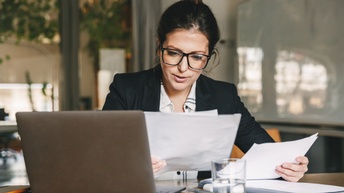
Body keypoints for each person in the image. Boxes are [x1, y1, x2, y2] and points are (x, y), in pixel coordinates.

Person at [102, 0, 308, 182]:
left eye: (197, 57)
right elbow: (101, 155)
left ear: (209, 55)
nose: (183, 68)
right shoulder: (127, 88)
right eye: (173, 53)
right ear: (159, 46)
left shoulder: (223, 96)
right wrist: (131, 164)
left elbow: (267, 152)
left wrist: (291, 166)